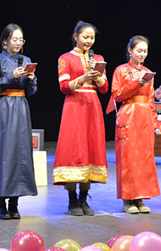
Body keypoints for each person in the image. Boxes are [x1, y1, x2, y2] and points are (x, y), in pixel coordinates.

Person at [53, 21, 108, 216]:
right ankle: (72, 200)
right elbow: (64, 87)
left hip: (93, 107)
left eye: (92, 37)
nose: (89, 41)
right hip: (74, 107)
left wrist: (97, 75)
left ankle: (84, 198)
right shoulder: (65, 58)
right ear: (76, 36)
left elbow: (104, 88)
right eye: (85, 37)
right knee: (73, 150)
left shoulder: (98, 59)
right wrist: (83, 78)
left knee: (90, 150)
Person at [0, 24, 37, 220]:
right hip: (4, 107)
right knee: (2, 152)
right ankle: (0, 203)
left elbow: (32, 91)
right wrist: (11, 76)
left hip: (21, 107)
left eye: (21, 40)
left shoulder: (26, 60)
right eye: (15, 39)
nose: (18, 43)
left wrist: (31, 79)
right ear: (5, 41)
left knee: (20, 154)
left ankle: (14, 203)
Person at [107, 35, 160, 214]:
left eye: (145, 51)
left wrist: (154, 121)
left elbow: (151, 99)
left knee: (144, 158)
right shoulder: (121, 70)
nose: (142, 54)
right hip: (129, 114)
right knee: (128, 158)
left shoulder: (148, 72)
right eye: (139, 50)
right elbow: (117, 95)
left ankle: (140, 198)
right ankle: (127, 200)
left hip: (145, 116)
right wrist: (137, 83)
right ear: (130, 50)